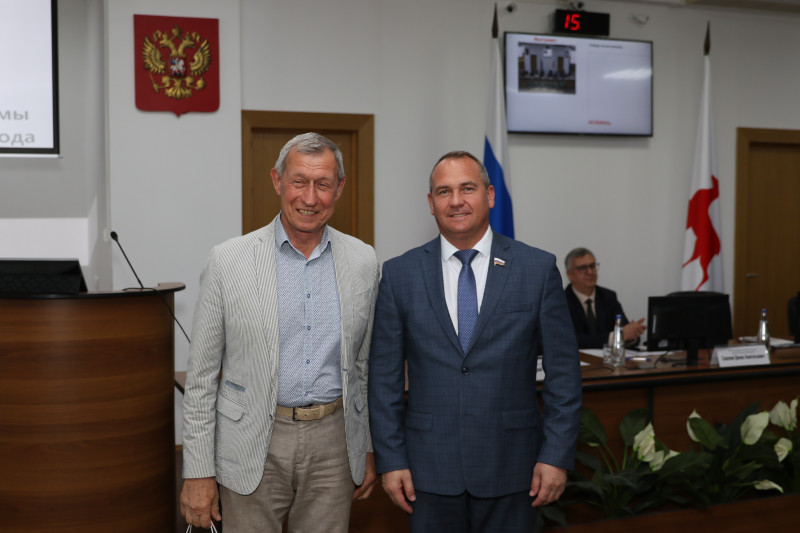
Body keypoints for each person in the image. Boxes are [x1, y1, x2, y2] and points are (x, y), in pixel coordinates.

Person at [368, 151, 582, 532]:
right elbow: (383, 379)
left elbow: (564, 374)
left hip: (515, 468)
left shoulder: (536, 269)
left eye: (467, 188)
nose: (456, 201)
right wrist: (391, 459)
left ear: (490, 195)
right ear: (430, 202)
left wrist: (556, 455)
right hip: (427, 472)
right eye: (444, 191)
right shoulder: (400, 274)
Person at [180, 133, 379, 532]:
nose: (310, 197)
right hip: (251, 440)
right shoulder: (228, 261)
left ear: (339, 188)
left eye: (323, 184)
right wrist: (198, 470)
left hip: (334, 444)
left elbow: (361, 367)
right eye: (298, 182)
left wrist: (367, 447)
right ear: (277, 181)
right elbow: (201, 379)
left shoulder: (364, 261)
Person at [563, 247, 646, 349]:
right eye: (582, 268)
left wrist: (632, 334)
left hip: (607, 358)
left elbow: (623, 329)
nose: (590, 272)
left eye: (592, 266)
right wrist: (615, 337)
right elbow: (570, 339)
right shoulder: (562, 301)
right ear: (570, 275)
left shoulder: (608, 297)